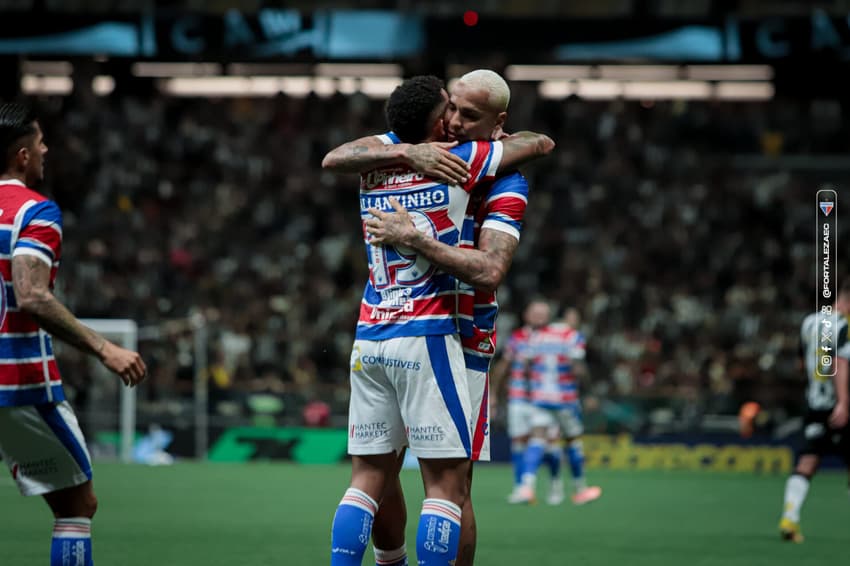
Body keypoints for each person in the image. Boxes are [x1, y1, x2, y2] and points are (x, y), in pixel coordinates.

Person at [323, 76, 554, 566]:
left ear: (497, 122)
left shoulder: (382, 158)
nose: (454, 123)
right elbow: (541, 144)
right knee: (447, 486)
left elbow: (335, 158)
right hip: (439, 334)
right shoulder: (465, 162)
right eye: (451, 111)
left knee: (372, 475)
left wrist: (406, 154)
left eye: (469, 115)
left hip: (384, 330)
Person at [0, 103, 147, 566]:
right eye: (40, 142)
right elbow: (31, 296)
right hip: (17, 384)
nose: (47, 149)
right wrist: (105, 349)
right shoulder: (33, 211)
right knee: (77, 506)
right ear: (22, 156)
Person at [778, 280, 850, 543]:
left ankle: (789, 518)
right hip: (838, 404)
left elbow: (801, 361)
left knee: (807, 461)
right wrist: (843, 402)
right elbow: (839, 363)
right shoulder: (842, 326)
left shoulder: (809, 322)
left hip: (814, 403)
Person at [514, 304, 601, 506]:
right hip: (565, 398)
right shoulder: (573, 336)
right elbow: (577, 367)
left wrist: (532, 387)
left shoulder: (538, 335)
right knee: (573, 441)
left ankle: (527, 487)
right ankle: (580, 488)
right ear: (568, 318)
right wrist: (589, 392)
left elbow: (525, 365)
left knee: (537, 439)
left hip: (540, 396)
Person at [491, 300, 562, 504]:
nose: (539, 317)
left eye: (543, 313)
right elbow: (504, 367)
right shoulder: (517, 338)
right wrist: (494, 394)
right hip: (519, 398)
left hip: (546, 398)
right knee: (519, 443)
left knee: (550, 444)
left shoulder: (555, 338)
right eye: (535, 313)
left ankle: (554, 483)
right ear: (526, 315)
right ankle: (521, 486)